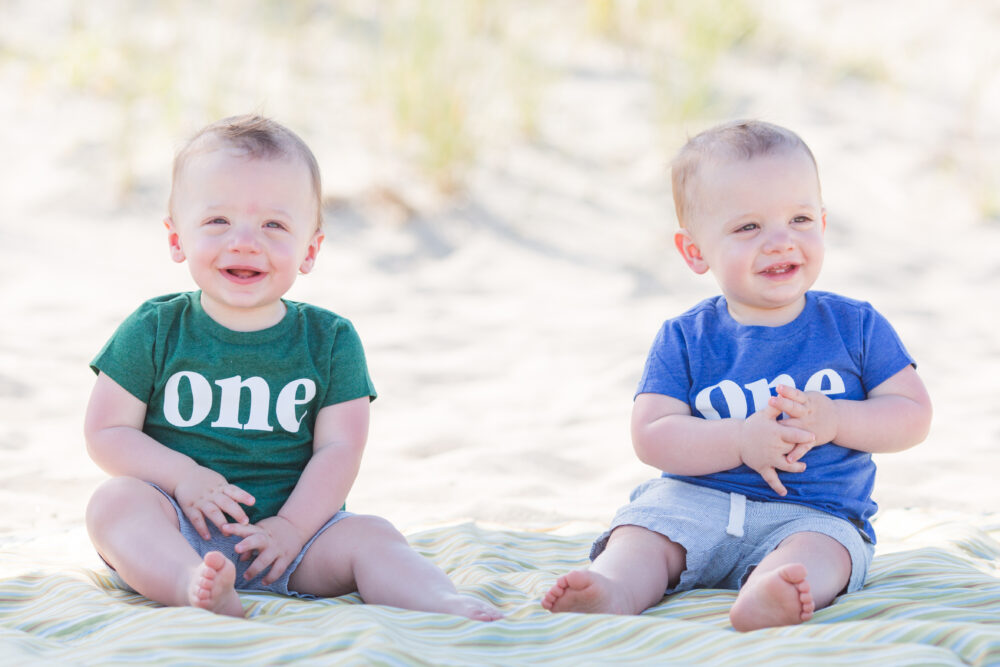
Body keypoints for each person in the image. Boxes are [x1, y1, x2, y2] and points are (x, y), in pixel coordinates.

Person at [84, 114, 502, 621]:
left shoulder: (330, 340)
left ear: (310, 249)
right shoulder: (154, 328)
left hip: (299, 541)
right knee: (114, 504)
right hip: (179, 526)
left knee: (374, 536)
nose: (244, 241)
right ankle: (190, 583)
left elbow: (339, 449)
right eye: (218, 221)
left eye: (274, 225)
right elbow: (107, 431)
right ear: (176, 239)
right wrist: (183, 476)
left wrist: (291, 528)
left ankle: (440, 601)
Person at [542, 120, 932, 631]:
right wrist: (741, 440)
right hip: (694, 500)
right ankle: (612, 587)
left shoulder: (855, 326)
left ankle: (773, 592)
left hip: (813, 511)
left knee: (825, 553)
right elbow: (652, 435)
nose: (779, 241)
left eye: (799, 218)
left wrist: (836, 419)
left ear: (823, 223)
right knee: (642, 532)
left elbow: (912, 415)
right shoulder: (686, 337)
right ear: (695, 251)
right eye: (748, 227)